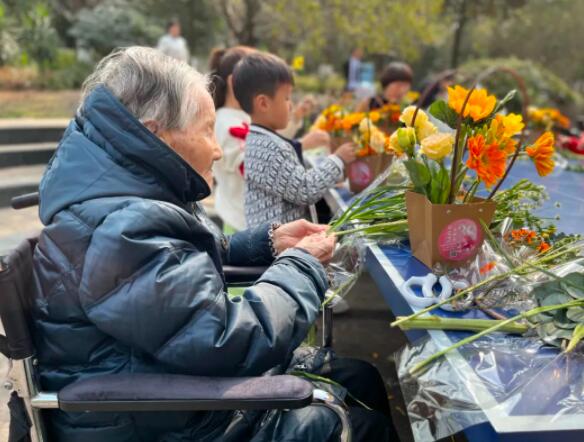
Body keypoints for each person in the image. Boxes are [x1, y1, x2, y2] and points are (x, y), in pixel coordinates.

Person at [32, 46, 398, 441]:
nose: (218, 147)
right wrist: (303, 265)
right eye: (207, 130)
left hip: (174, 386)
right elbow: (225, 341)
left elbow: (177, 269)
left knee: (361, 377)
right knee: (363, 427)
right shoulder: (120, 229)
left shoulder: (126, 197)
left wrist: (269, 243)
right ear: (155, 133)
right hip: (169, 420)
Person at [235, 52, 357, 227]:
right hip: (279, 249)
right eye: (286, 98)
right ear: (263, 103)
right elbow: (305, 189)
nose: (291, 104)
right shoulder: (271, 148)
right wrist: (338, 159)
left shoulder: (260, 139)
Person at [209, 46, 256, 233]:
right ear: (234, 82)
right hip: (240, 226)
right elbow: (253, 169)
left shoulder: (241, 117)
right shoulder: (227, 124)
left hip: (244, 220)